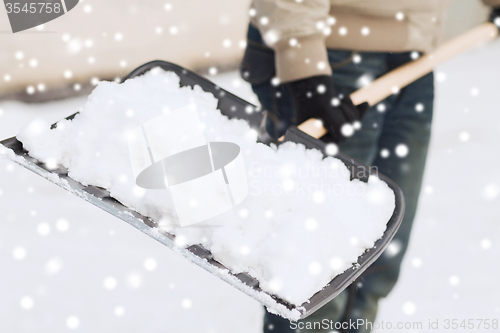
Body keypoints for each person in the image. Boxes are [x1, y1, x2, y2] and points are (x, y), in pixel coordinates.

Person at [240, 1, 500, 332]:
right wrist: (306, 68)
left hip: (414, 54)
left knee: (377, 258)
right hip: (331, 56)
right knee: (316, 271)